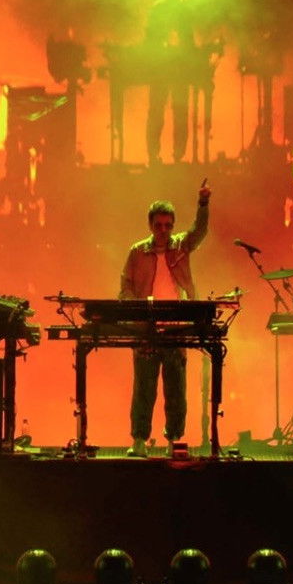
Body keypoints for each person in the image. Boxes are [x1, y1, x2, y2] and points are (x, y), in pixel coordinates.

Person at [117, 180, 210, 457]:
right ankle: (139, 441)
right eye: (158, 225)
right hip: (146, 328)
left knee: (176, 389)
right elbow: (125, 286)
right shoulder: (137, 252)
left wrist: (203, 203)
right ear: (150, 225)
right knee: (144, 388)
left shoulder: (181, 246)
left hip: (175, 328)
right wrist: (134, 308)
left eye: (168, 225)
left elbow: (199, 231)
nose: (163, 230)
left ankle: (174, 441)